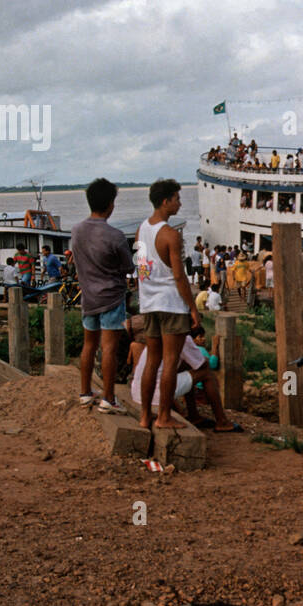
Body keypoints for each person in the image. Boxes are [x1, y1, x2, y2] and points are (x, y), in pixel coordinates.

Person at [135, 178, 199, 430]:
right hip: (172, 304)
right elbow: (179, 276)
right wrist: (192, 307)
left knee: (153, 360)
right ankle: (163, 416)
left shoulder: (141, 230)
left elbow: (141, 270)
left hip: (149, 303)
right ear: (165, 201)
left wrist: (149, 289)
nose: (180, 203)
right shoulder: (171, 235)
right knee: (170, 362)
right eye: (177, 199)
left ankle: (143, 416)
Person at [71, 178, 136, 413]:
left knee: (89, 345)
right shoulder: (115, 235)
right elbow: (129, 267)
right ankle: (109, 399)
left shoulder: (76, 230)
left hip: (88, 297)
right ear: (110, 204)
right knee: (109, 348)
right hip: (112, 298)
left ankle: (85, 393)